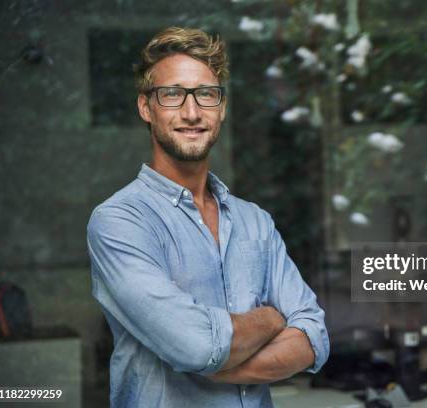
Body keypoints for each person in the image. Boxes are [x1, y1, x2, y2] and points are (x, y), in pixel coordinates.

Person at [86, 26, 329, 407]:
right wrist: (270, 318)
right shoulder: (120, 221)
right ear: (146, 107)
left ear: (223, 107)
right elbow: (196, 347)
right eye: (172, 95)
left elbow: (314, 335)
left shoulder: (255, 222)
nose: (192, 112)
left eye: (206, 94)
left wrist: (220, 362)